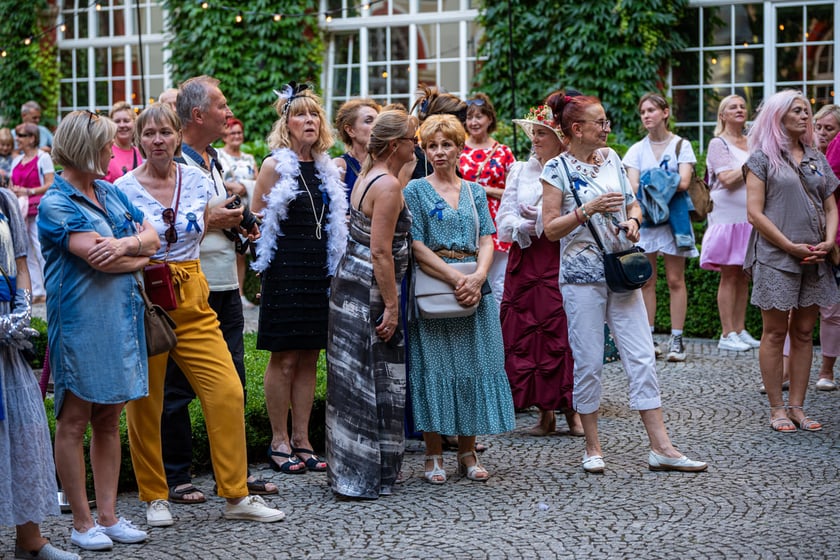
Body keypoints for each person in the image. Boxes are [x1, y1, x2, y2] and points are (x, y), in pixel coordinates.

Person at [118, 103, 284, 525]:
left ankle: (236, 494)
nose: (157, 140)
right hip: (147, 296)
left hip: (193, 291)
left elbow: (218, 219)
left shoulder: (195, 179)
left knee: (227, 391)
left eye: (165, 132)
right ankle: (155, 496)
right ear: (138, 140)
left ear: (177, 136)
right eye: (149, 133)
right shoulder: (122, 188)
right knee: (146, 402)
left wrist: (237, 221)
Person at [541, 92, 707, 474]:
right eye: (600, 122)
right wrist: (586, 210)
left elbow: (633, 203)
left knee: (643, 357)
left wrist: (633, 221)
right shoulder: (556, 169)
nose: (607, 127)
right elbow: (550, 229)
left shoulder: (613, 158)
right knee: (588, 362)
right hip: (581, 279)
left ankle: (662, 447)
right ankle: (592, 447)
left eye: (606, 121)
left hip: (621, 271)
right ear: (577, 128)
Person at [37, 110, 160, 551]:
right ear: (87, 148)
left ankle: (108, 517)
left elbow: (153, 237)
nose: (114, 149)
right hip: (81, 325)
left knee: (108, 420)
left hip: (120, 321)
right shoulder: (56, 203)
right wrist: (139, 252)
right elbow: (100, 261)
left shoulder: (109, 191)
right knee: (74, 421)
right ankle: (81, 522)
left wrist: (129, 245)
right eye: (107, 143)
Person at [160, 76, 273, 506]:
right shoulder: (173, 164)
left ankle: (234, 474)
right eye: (221, 106)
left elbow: (216, 209)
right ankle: (176, 475)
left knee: (233, 383)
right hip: (190, 285)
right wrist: (214, 219)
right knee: (177, 388)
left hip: (225, 282)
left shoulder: (211, 160)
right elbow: (164, 225)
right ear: (197, 115)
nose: (229, 113)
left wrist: (241, 220)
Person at [404, 114, 515, 484]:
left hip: (474, 288)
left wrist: (479, 277)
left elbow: (487, 237)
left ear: (458, 148)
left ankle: (467, 453)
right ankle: (433, 453)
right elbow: (416, 245)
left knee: (473, 368)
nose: (439, 152)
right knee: (434, 370)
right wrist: (456, 279)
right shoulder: (414, 190)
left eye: (446, 145)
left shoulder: (475, 192)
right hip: (436, 286)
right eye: (432, 146)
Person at [251, 82, 348, 476]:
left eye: (314, 115)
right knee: (285, 356)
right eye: (300, 115)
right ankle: (279, 440)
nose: (309, 120)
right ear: (286, 123)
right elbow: (256, 222)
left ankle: (303, 439)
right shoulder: (274, 166)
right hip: (285, 268)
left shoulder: (327, 167)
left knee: (310, 355)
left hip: (318, 270)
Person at [326, 108, 417, 499]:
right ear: (395, 145)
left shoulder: (367, 174)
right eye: (412, 140)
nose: (416, 146)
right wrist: (392, 307)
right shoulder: (388, 185)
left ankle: (352, 468)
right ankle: (364, 473)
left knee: (353, 374)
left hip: (349, 279)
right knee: (372, 375)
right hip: (370, 287)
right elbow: (381, 252)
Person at [745, 90, 839, 433]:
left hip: (814, 257)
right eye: (797, 110)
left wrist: (829, 241)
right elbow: (754, 213)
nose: (805, 116)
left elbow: (831, 206)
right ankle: (777, 409)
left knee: (802, 332)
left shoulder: (817, 157)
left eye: (807, 111)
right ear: (778, 116)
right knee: (774, 332)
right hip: (775, 256)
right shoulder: (761, 159)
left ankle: (798, 407)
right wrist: (788, 245)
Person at [1, 188, 79, 560]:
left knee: (24, 431)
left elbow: (21, 263)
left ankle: (30, 541)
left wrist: (19, 310)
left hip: (7, 343)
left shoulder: (4, 200)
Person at [497, 100, 582, 437]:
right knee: (528, 334)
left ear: (559, 137)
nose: (534, 138)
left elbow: (580, 216)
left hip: (560, 256)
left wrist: (546, 223)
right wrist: (525, 225)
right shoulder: (520, 171)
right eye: (533, 132)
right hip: (526, 259)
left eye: (542, 133)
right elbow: (503, 219)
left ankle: (573, 410)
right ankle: (544, 413)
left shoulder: (572, 169)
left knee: (562, 330)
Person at [623, 93, 698, 362]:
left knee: (676, 280)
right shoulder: (636, 150)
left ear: (665, 113)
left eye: (651, 110)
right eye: (643, 111)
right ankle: (649, 337)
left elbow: (684, 182)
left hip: (674, 222)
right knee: (647, 281)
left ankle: (677, 339)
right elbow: (632, 187)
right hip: (647, 222)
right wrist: (665, 180)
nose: (646, 115)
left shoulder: (681, 146)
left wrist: (649, 180)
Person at [699, 94, 760, 352]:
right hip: (726, 217)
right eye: (733, 107)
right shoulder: (718, 143)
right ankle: (727, 333)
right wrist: (753, 162)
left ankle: (740, 329)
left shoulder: (752, 142)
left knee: (744, 274)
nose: (739, 109)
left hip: (749, 215)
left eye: (742, 106)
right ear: (722, 115)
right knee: (729, 274)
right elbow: (726, 179)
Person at [459, 92, 515, 307]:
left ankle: (498, 326)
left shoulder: (503, 152)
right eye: (469, 117)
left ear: (489, 119)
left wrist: (486, 190)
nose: (473, 122)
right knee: (468, 278)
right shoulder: (457, 149)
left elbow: (514, 192)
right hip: (466, 220)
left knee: (498, 283)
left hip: (496, 223)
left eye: (479, 116)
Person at [9, 124, 53, 305]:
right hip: (21, 211)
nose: (17, 138)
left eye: (21, 135)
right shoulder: (16, 160)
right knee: (25, 251)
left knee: (41, 249)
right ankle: (37, 290)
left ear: (32, 138)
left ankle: (50, 289)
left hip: (38, 210)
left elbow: (50, 183)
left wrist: (29, 191)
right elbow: (12, 183)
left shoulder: (43, 158)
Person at [217, 116, 258, 308]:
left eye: (239, 133)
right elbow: (214, 179)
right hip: (226, 207)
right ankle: (228, 293)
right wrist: (233, 187)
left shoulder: (249, 158)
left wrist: (244, 187)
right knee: (229, 250)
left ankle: (240, 293)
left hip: (244, 208)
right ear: (225, 136)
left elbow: (257, 181)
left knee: (242, 252)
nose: (236, 136)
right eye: (232, 133)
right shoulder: (218, 155)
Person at [333, 98, 381, 203]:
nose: (377, 126)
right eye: (369, 121)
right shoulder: (340, 166)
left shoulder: (386, 162)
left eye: (378, 121)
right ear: (350, 130)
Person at [103, 102, 143, 183]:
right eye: (117, 121)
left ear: (134, 123)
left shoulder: (140, 153)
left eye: (126, 121)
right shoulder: (104, 152)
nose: (122, 125)